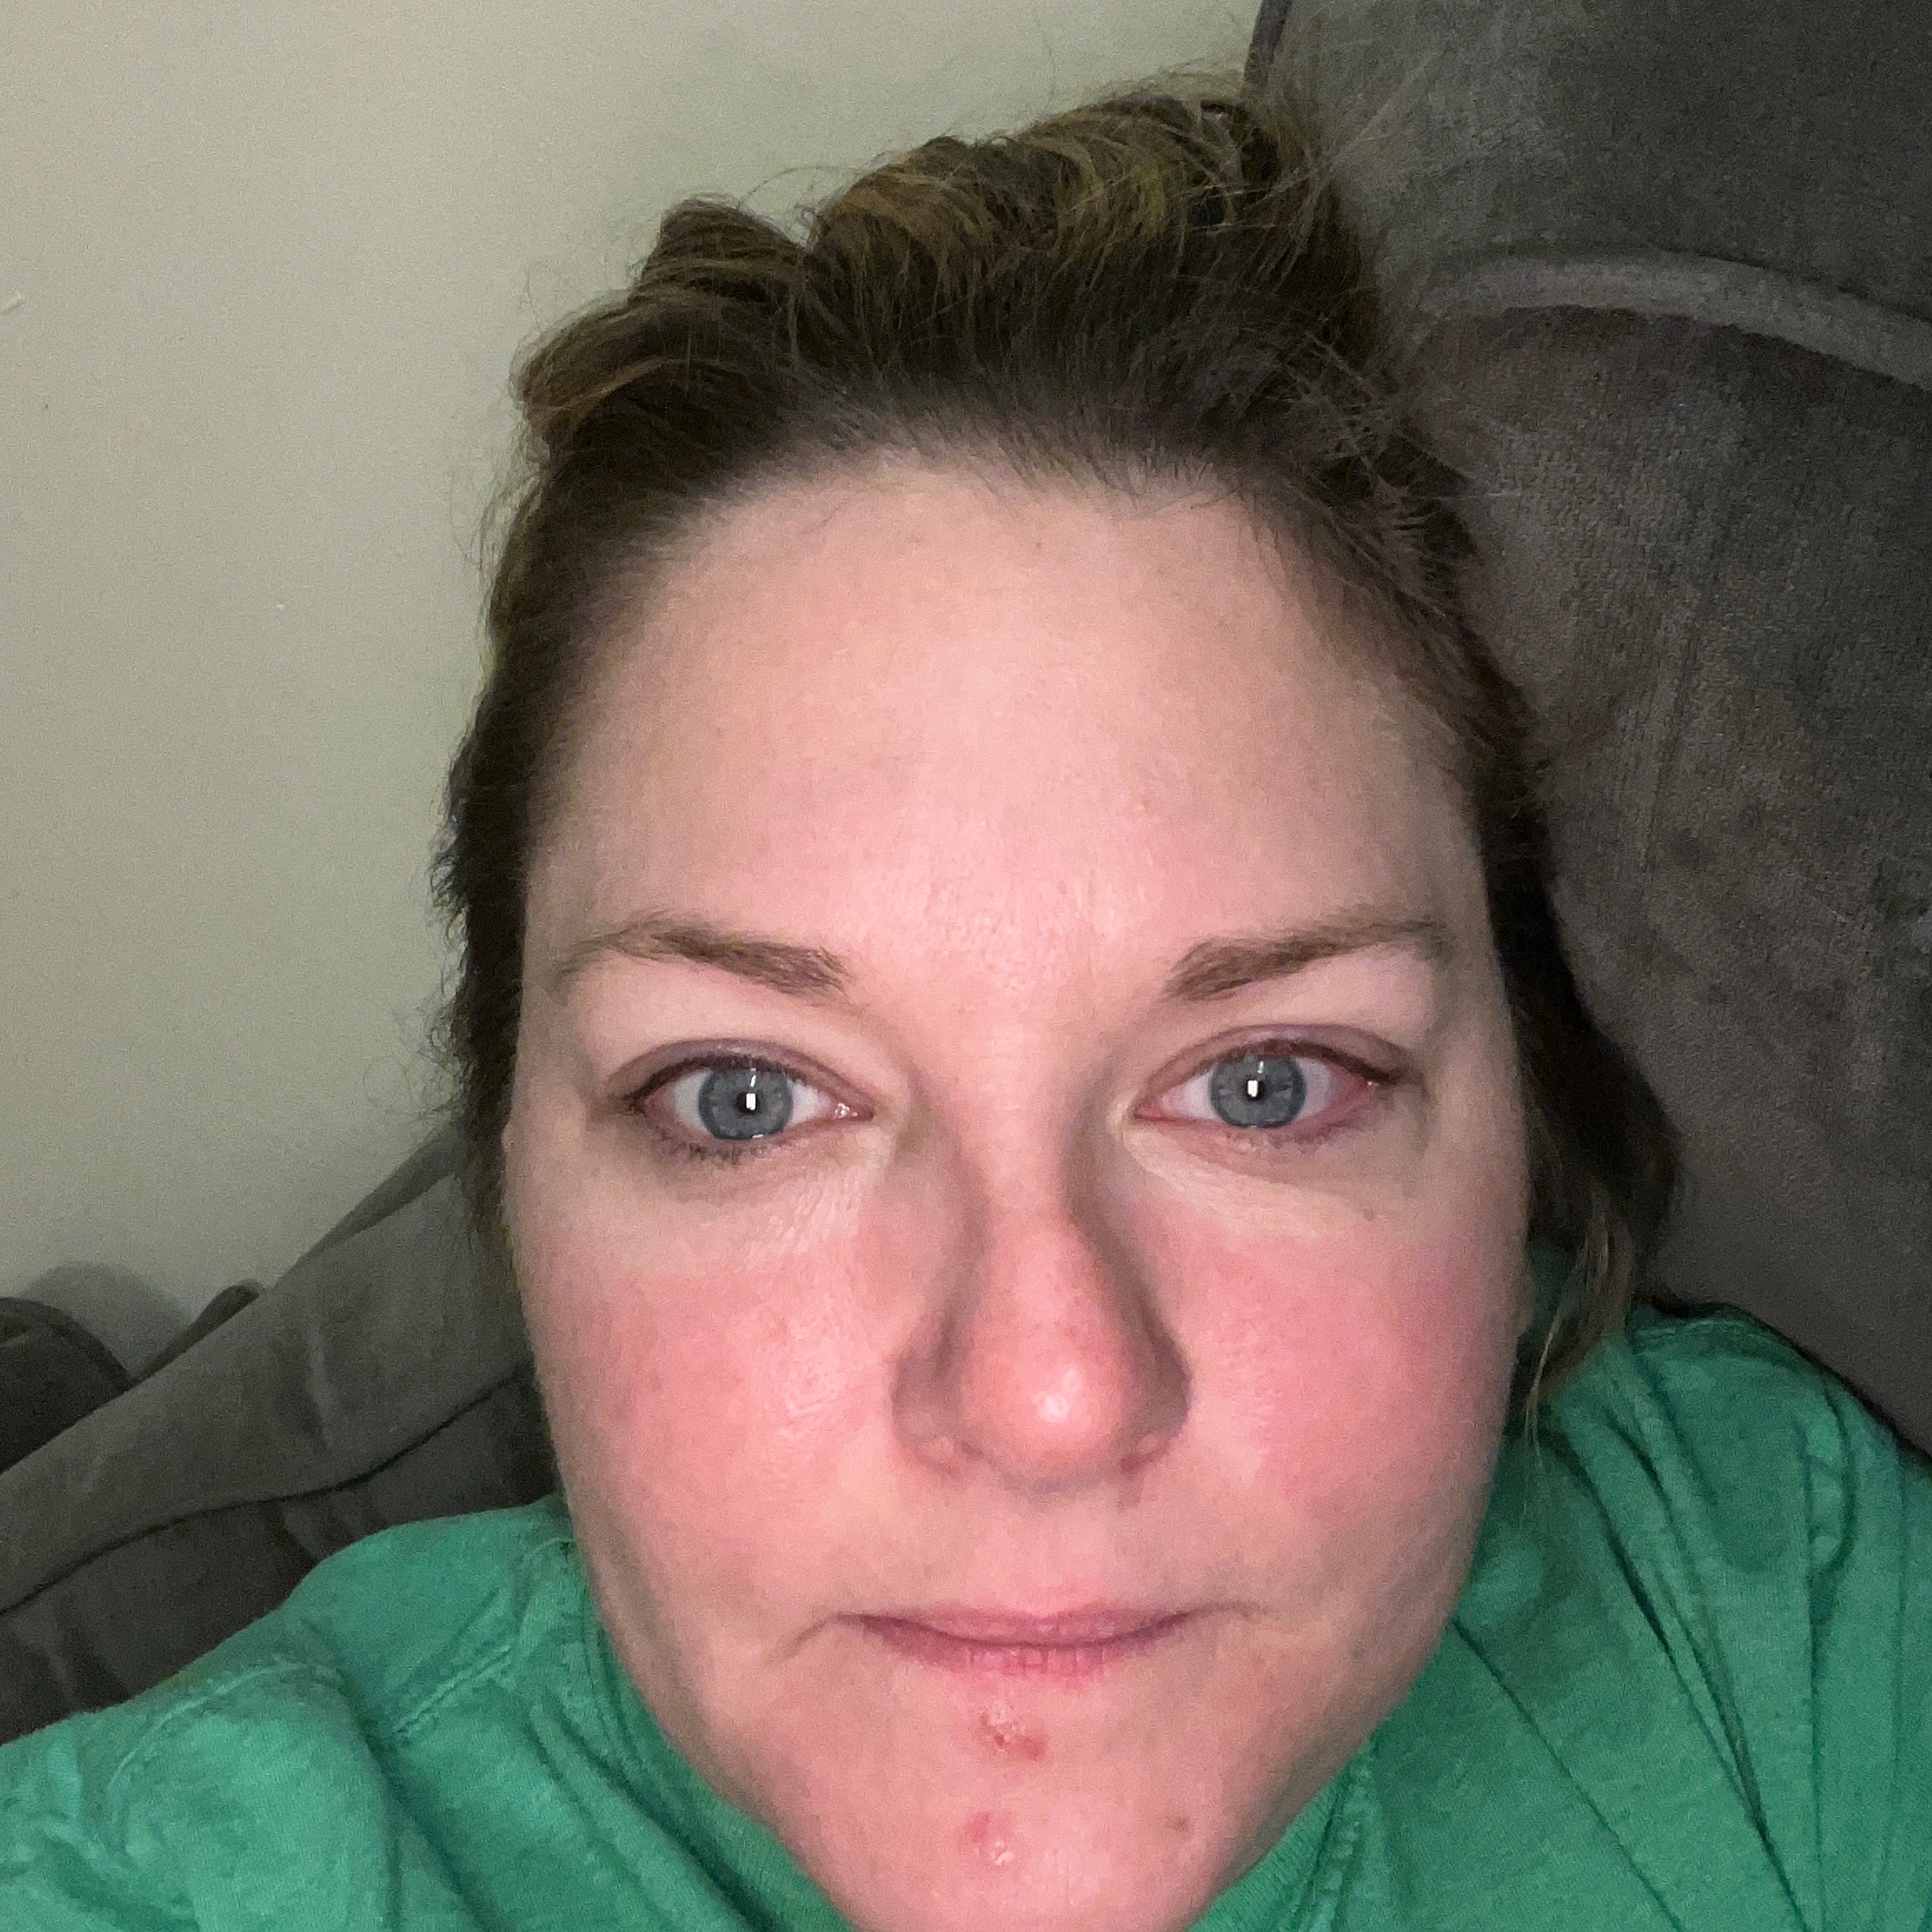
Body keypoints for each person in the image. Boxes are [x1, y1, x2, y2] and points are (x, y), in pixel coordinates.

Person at [3, 80, 1928, 1932]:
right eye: (746, 1097)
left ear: (1519, 1121)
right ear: (507, 1170)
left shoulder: (1767, 1607)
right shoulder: (189, 1874)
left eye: (1265, 1084)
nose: (1050, 1397)